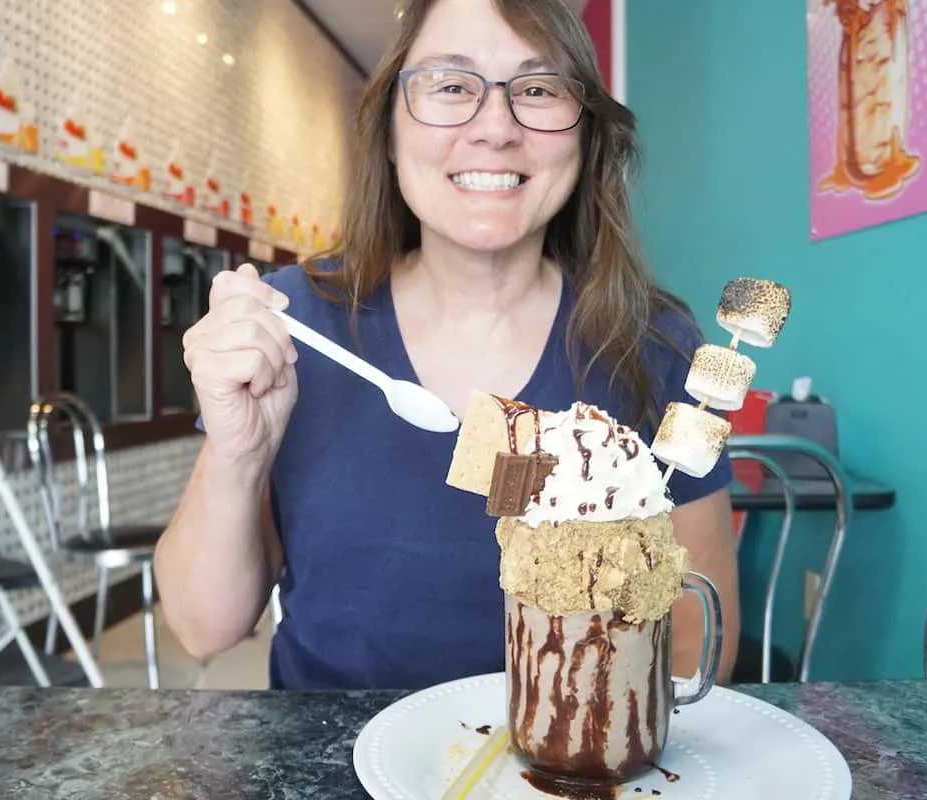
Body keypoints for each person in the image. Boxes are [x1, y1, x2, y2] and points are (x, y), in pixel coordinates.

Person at [154, 0, 740, 691]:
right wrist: (237, 455)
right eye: (452, 86)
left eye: (539, 89)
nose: (495, 128)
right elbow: (203, 628)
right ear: (390, 131)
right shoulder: (298, 322)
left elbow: (695, 651)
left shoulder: (654, 343)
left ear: (586, 138)